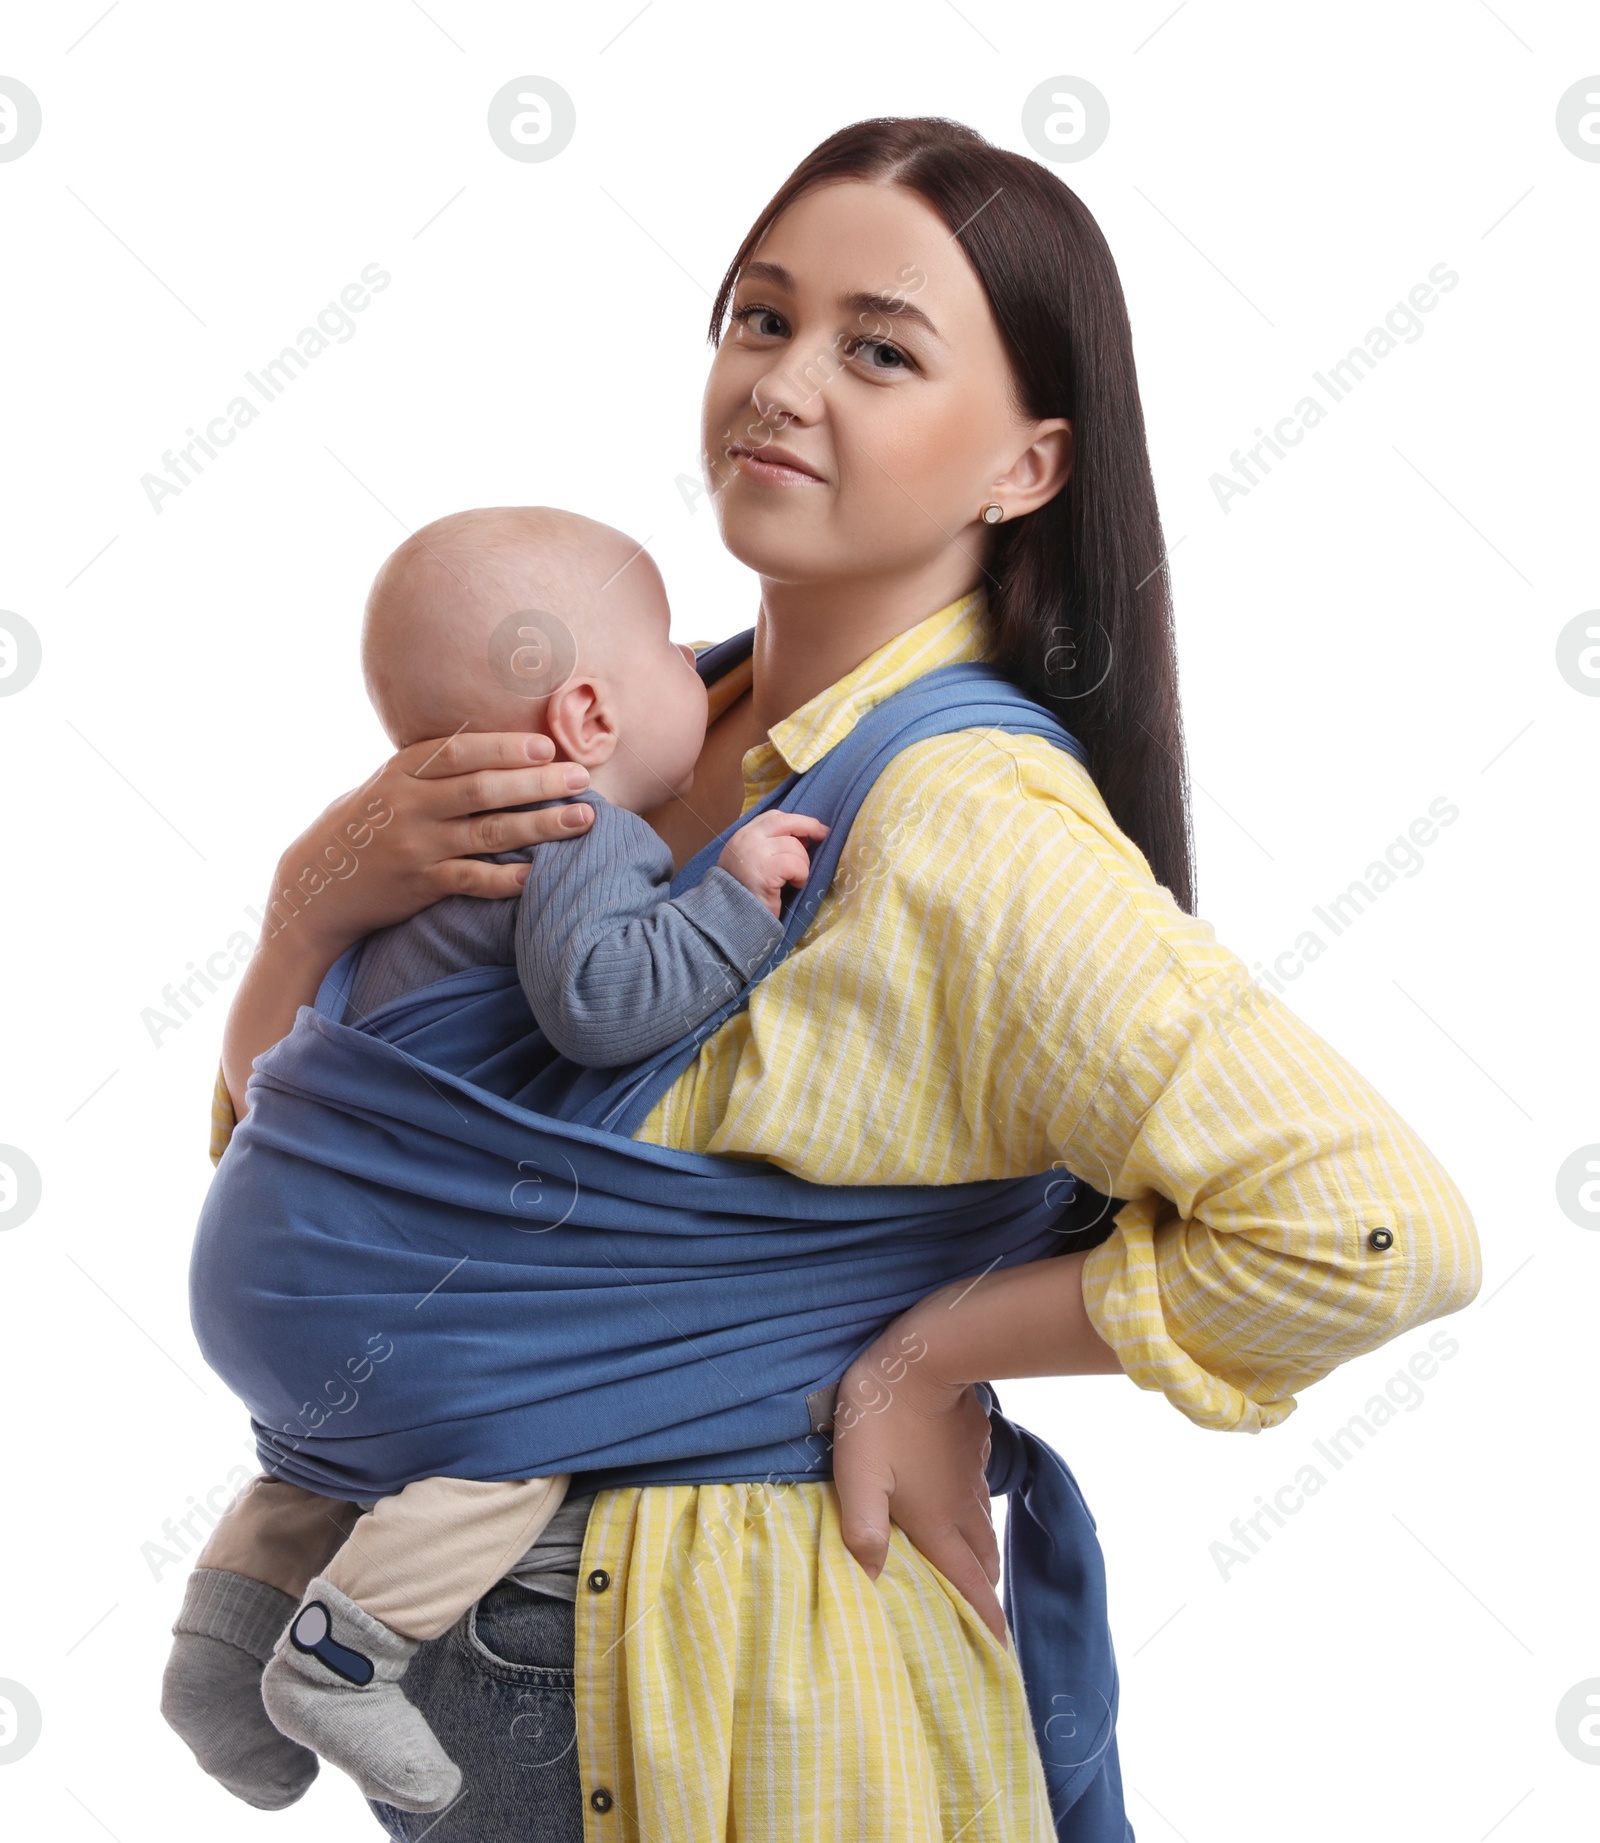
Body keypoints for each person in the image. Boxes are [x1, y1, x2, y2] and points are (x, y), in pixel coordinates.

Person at [208, 118, 1480, 1841]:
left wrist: (926, 1358)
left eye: (877, 349)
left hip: (744, 1680)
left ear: (1026, 467)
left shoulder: (963, 820)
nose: (783, 383)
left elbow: (1372, 1226)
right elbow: (320, 1165)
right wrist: (304, 911)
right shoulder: (637, 723)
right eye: (759, 319)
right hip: (466, 1637)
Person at [165, 506, 824, 1814]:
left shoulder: (408, 856)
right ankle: (344, 1660)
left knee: (336, 1449)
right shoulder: (583, 828)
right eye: (666, 652)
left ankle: (219, 1646)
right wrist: (735, 898)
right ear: (587, 715)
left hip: (265, 1255)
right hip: (377, 1282)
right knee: (521, 1423)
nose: (696, 655)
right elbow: (601, 999)